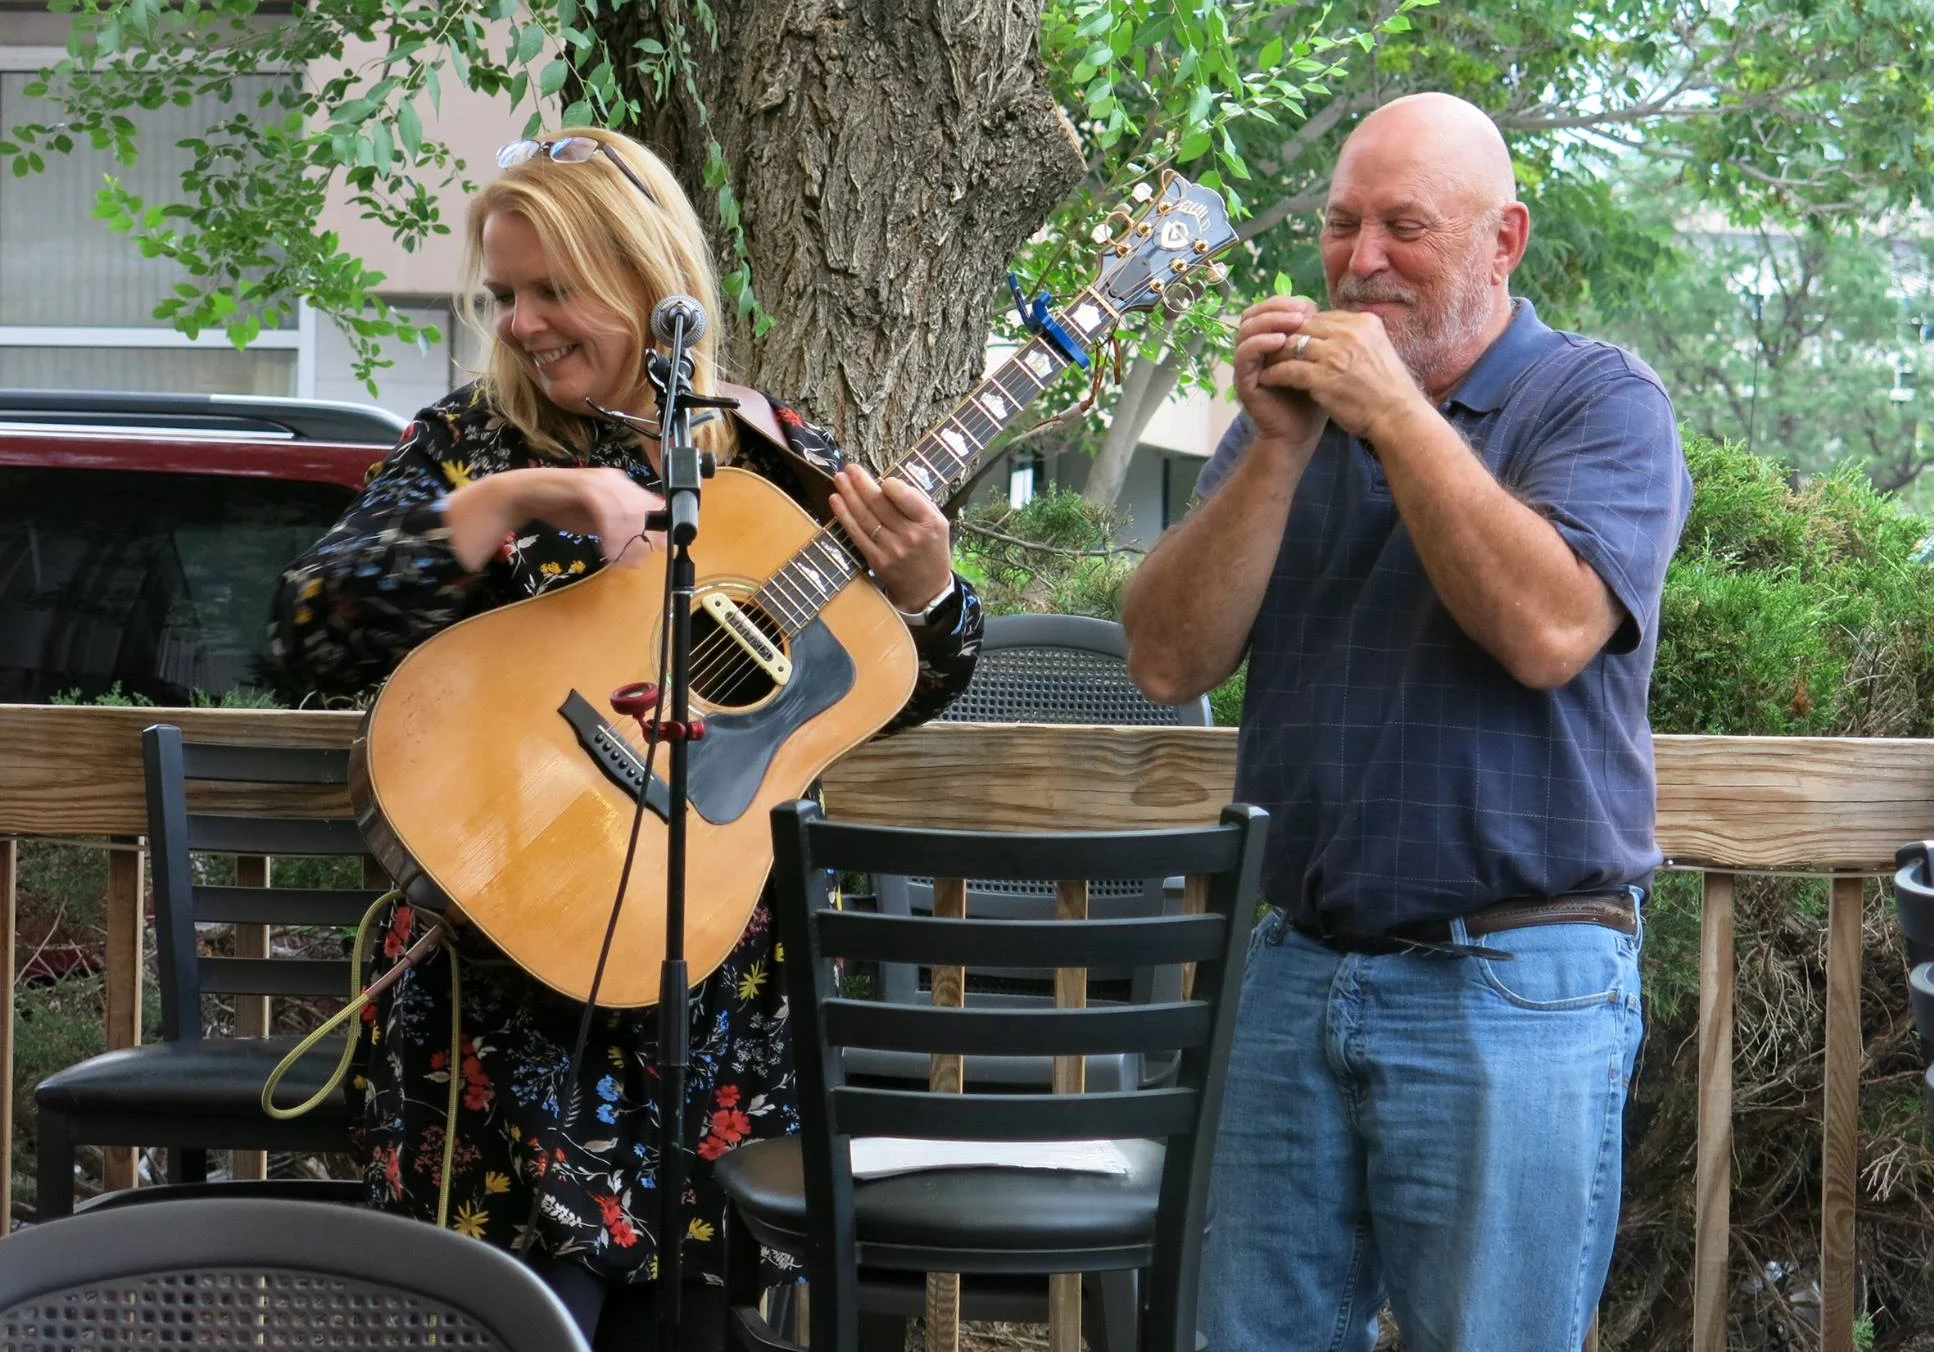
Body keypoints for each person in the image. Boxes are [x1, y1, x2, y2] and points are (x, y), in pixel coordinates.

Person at [268, 128, 982, 1349]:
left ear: (657, 295)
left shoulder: (769, 457)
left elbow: (891, 685)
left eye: (555, 289)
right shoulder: (466, 447)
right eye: (505, 294)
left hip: (706, 998)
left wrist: (925, 595)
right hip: (484, 998)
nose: (523, 323)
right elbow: (305, 634)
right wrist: (514, 503)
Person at [1121, 92, 1690, 1352]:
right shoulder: (1293, 420)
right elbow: (1164, 660)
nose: (1359, 258)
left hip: (1514, 980)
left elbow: (1547, 631)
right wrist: (1271, 451)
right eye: (1339, 225)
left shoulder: (1596, 403)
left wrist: (1392, 416)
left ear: (1503, 240)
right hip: (1295, 966)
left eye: (1403, 226)